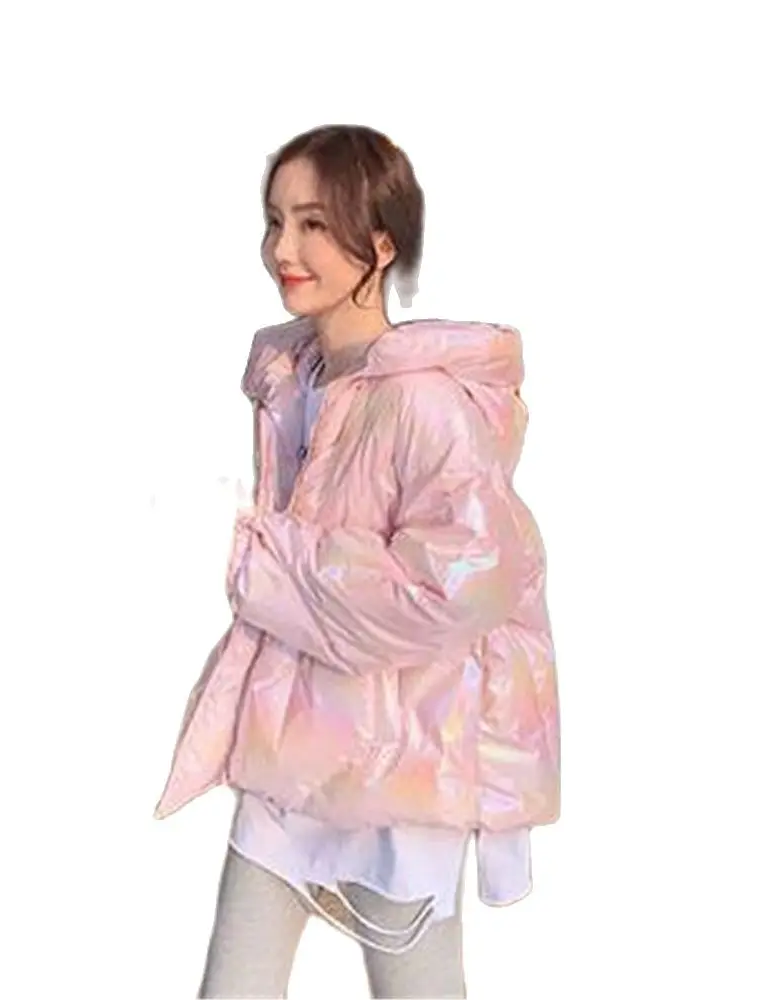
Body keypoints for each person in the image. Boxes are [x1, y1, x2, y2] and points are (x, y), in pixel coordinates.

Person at [153, 124, 561, 999]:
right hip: (286, 757)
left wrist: (271, 571)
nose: (282, 249)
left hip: (399, 770)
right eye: (275, 221)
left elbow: (460, 588)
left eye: (313, 224)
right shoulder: (290, 379)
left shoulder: (426, 405)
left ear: (380, 244)